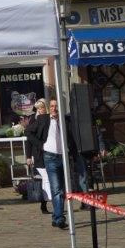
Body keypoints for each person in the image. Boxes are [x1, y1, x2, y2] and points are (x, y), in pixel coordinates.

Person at [41, 98, 87, 230]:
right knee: (57, 189)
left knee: (62, 189)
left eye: (56, 106)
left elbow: (72, 138)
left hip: (64, 158)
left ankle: (56, 217)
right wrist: (40, 146)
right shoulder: (43, 120)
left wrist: (75, 154)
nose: (54, 108)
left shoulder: (66, 121)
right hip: (50, 157)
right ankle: (60, 218)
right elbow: (29, 133)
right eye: (52, 106)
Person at [24, 99, 50, 215]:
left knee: (48, 178)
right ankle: (45, 203)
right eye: (38, 108)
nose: (40, 110)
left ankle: (47, 202)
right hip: (38, 152)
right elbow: (29, 139)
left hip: (50, 151)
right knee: (45, 178)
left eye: (42, 108)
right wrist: (28, 156)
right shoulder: (34, 120)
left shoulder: (50, 119)